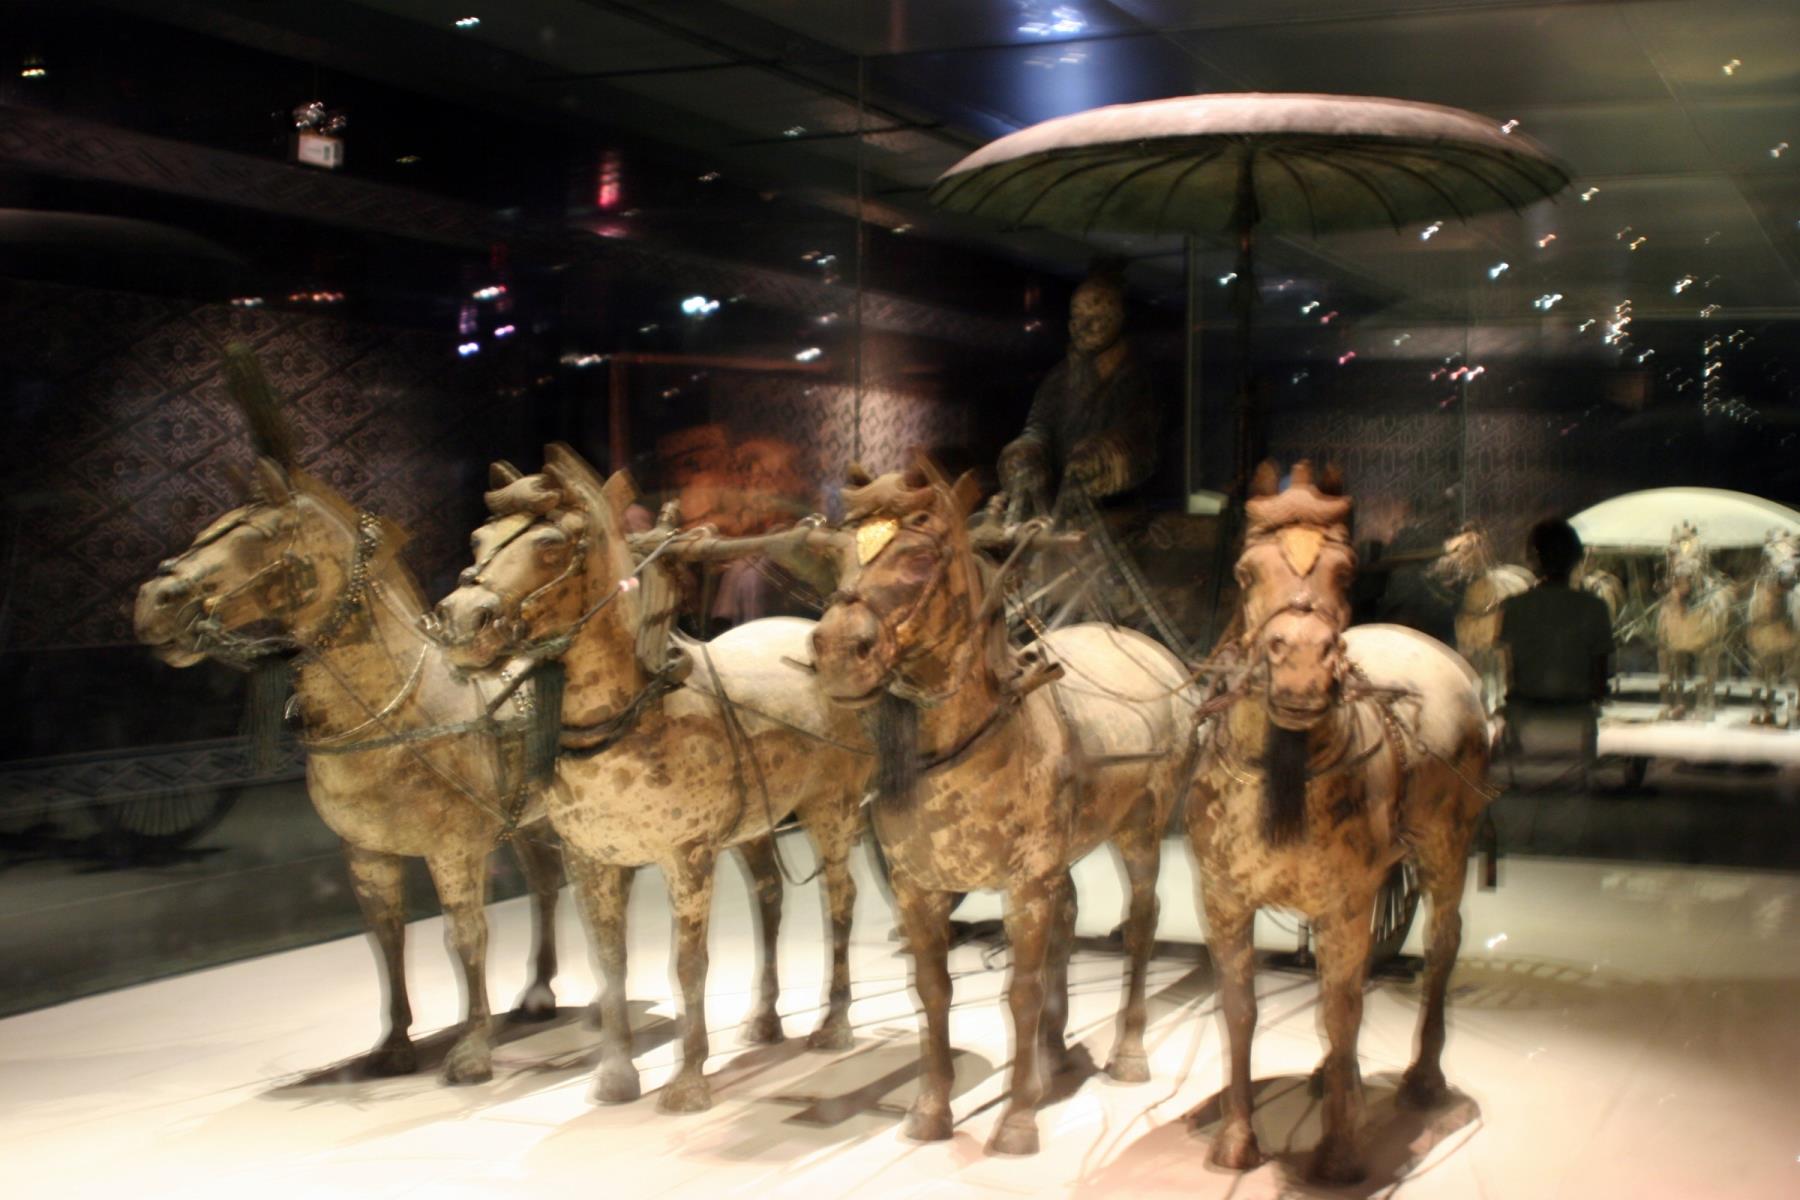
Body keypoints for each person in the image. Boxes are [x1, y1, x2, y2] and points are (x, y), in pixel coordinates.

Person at [999, 266, 1159, 523]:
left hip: (1120, 510)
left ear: (1118, 318)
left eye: (1096, 316)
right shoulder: (1058, 378)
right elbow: (1040, 427)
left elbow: (1141, 438)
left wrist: (1101, 457)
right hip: (1057, 510)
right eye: (1077, 316)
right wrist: (1026, 452)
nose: (1083, 326)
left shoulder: (1135, 376)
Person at [1499, 517, 1614, 705]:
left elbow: (1512, 673)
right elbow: (1599, 679)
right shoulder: (1595, 607)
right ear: (1576, 557)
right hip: (1577, 712)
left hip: (1527, 713)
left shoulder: (1514, 606)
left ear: (1533, 558)